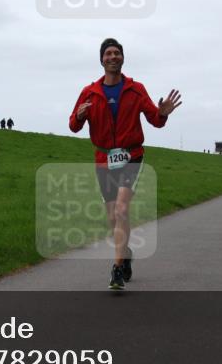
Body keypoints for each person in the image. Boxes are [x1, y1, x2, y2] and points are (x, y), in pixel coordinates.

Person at [69, 38, 182, 290]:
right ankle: (126, 252)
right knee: (112, 215)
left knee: (121, 209)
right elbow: (73, 125)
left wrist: (162, 112)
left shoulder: (136, 89)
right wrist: (78, 116)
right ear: (101, 60)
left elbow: (155, 119)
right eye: (108, 53)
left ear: (122, 58)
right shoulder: (89, 92)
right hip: (103, 159)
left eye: (117, 53)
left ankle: (117, 268)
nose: (112, 57)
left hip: (131, 156)